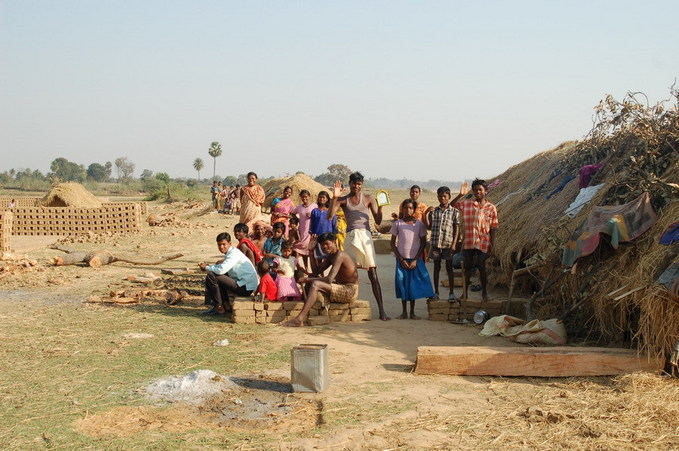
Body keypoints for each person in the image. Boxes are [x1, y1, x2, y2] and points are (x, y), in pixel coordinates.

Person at [328, 172, 389, 320]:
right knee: (347, 274)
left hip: (365, 236)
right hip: (351, 236)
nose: (356, 186)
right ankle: (339, 309)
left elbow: (378, 220)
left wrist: (380, 207)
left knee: (373, 274)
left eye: (359, 184)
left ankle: (382, 311)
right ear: (350, 184)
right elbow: (329, 216)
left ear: (362, 185)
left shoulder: (368, 199)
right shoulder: (343, 200)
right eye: (354, 184)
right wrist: (335, 197)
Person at [282, 233, 359, 327]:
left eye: (327, 244)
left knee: (315, 284)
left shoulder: (340, 255)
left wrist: (307, 280)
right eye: (322, 245)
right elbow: (316, 271)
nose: (324, 247)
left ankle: (299, 319)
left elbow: (329, 279)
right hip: (340, 286)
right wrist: (310, 252)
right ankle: (302, 303)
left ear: (334, 242)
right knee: (312, 280)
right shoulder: (331, 256)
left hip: (349, 290)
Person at [454, 179, 499, 301]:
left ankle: (484, 294)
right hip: (469, 241)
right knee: (467, 267)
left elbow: (494, 227)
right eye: (475, 190)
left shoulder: (491, 208)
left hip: (483, 242)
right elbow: (452, 205)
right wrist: (460, 195)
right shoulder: (467, 203)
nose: (477, 192)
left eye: (480, 190)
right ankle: (465, 294)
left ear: (486, 191)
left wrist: (492, 244)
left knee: (481, 266)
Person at [390, 199, 434, 319]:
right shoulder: (398, 224)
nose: (408, 210)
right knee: (403, 284)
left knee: (413, 285)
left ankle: (412, 312)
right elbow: (393, 244)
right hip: (401, 259)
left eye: (410, 208)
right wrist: (400, 259)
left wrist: (415, 259)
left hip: (414, 259)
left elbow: (423, 243)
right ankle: (404, 312)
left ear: (414, 210)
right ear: (402, 209)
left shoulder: (419, 224)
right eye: (405, 208)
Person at [199, 232, 259, 316]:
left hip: (245, 287)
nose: (221, 247)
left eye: (224, 244)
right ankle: (226, 306)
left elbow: (221, 270)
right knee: (217, 276)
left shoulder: (234, 253)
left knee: (211, 276)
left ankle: (219, 308)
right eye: (219, 245)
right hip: (244, 284)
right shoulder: (231, 253)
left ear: (230, 243)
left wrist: (206, 268)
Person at [424, 186, 460, 302]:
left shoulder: (454, 212)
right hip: (435, 244)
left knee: (449, 268)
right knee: (436, 267)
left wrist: (454, 244)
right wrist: (425, 215)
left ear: (449, 197)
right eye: (440, 196)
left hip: (448, 244)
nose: (442, 198)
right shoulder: (434, 211)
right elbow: (429, 227)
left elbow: (456, 229)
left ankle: (451, 293)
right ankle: (436, 292)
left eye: (444, 196)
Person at [309, 190, 338, 273]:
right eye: (320, 197)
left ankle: (330, 274)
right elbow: (312, 224)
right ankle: (319, 273)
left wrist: (334, 236)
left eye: (323, 197)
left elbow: (334, 224)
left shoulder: (331, 211)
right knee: (318, 257)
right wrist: (312, 234)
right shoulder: (314, 211)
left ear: (327, 199)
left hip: (328, 237)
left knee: (328, 257)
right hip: (318, 237)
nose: (321, 199)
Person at [290, 189, 317, 272]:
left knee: (307, 250)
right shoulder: (299, 207)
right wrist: (297, 220)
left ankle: (307, 268)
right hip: (301, 230)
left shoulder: (314, 206)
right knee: (298, 249)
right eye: (302, 197)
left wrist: (312, 215)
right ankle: (299, 268)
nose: (304, 199)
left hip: (311, 230)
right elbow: (292, 213)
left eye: (305, 197)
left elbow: (319, 215)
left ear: (309, 196)